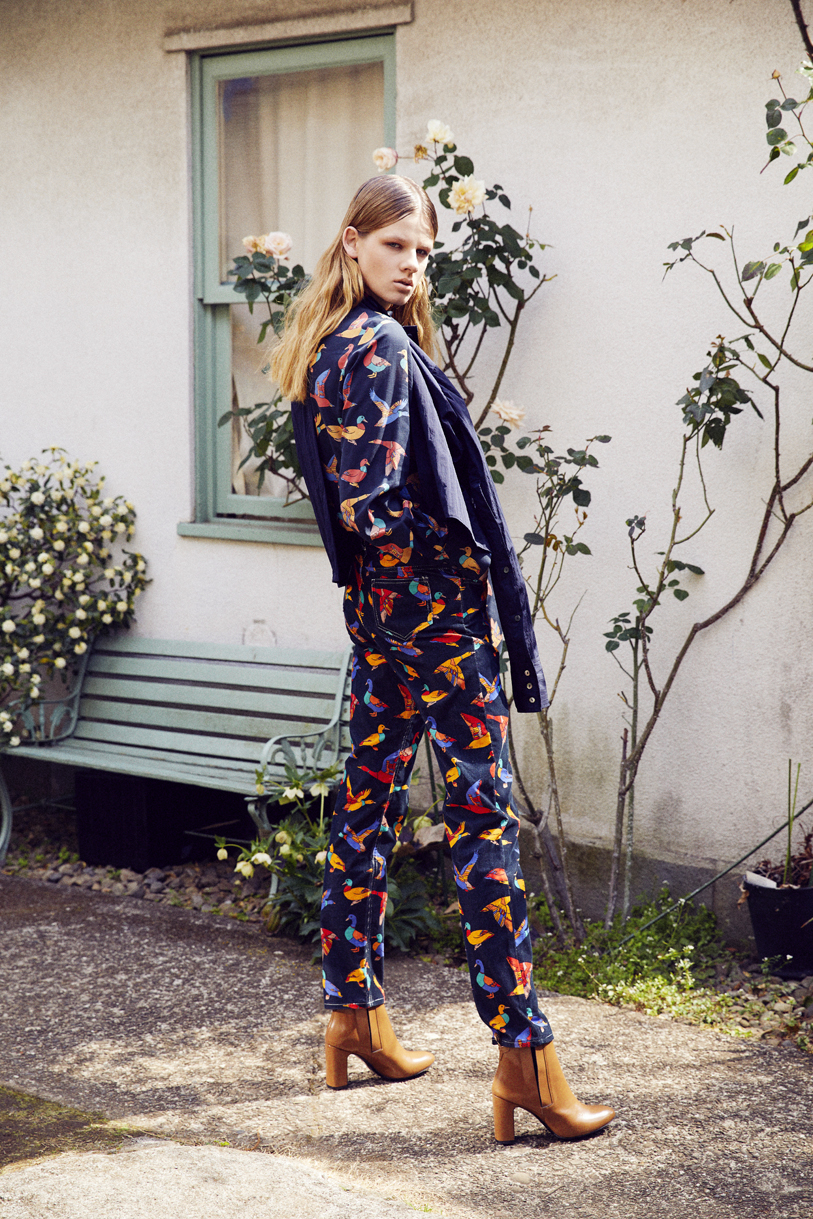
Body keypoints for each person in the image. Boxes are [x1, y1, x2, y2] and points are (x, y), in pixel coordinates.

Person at [271, 174, 614, 1143]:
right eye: (395, 246)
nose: (412, 265)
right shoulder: (380, 349)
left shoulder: (330, 346)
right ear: (351, 242)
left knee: (367, 801)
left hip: (378, 619)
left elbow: (350, 504)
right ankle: (524, 1057)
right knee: (480, 820)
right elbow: (374, 506)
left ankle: (353, 1014)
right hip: (434, 622)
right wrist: (459, 567)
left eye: (423, 251)